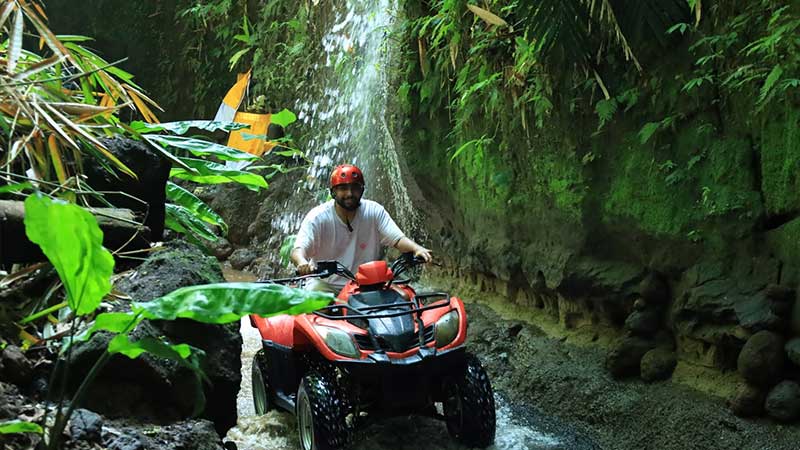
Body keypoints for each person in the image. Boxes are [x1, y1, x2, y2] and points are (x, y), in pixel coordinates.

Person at [291, 164, 432, 293]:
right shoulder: (318, 217)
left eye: (355, 188)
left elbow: (398, 239)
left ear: (362, 189)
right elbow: (298, 250)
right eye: (343, 189)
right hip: (326, 284)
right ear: (333, 192)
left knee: (404, 299)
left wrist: (416, 249)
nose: (350, 194)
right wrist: (302, 263)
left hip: (368, 283)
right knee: (320, 306)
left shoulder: (374, 211)